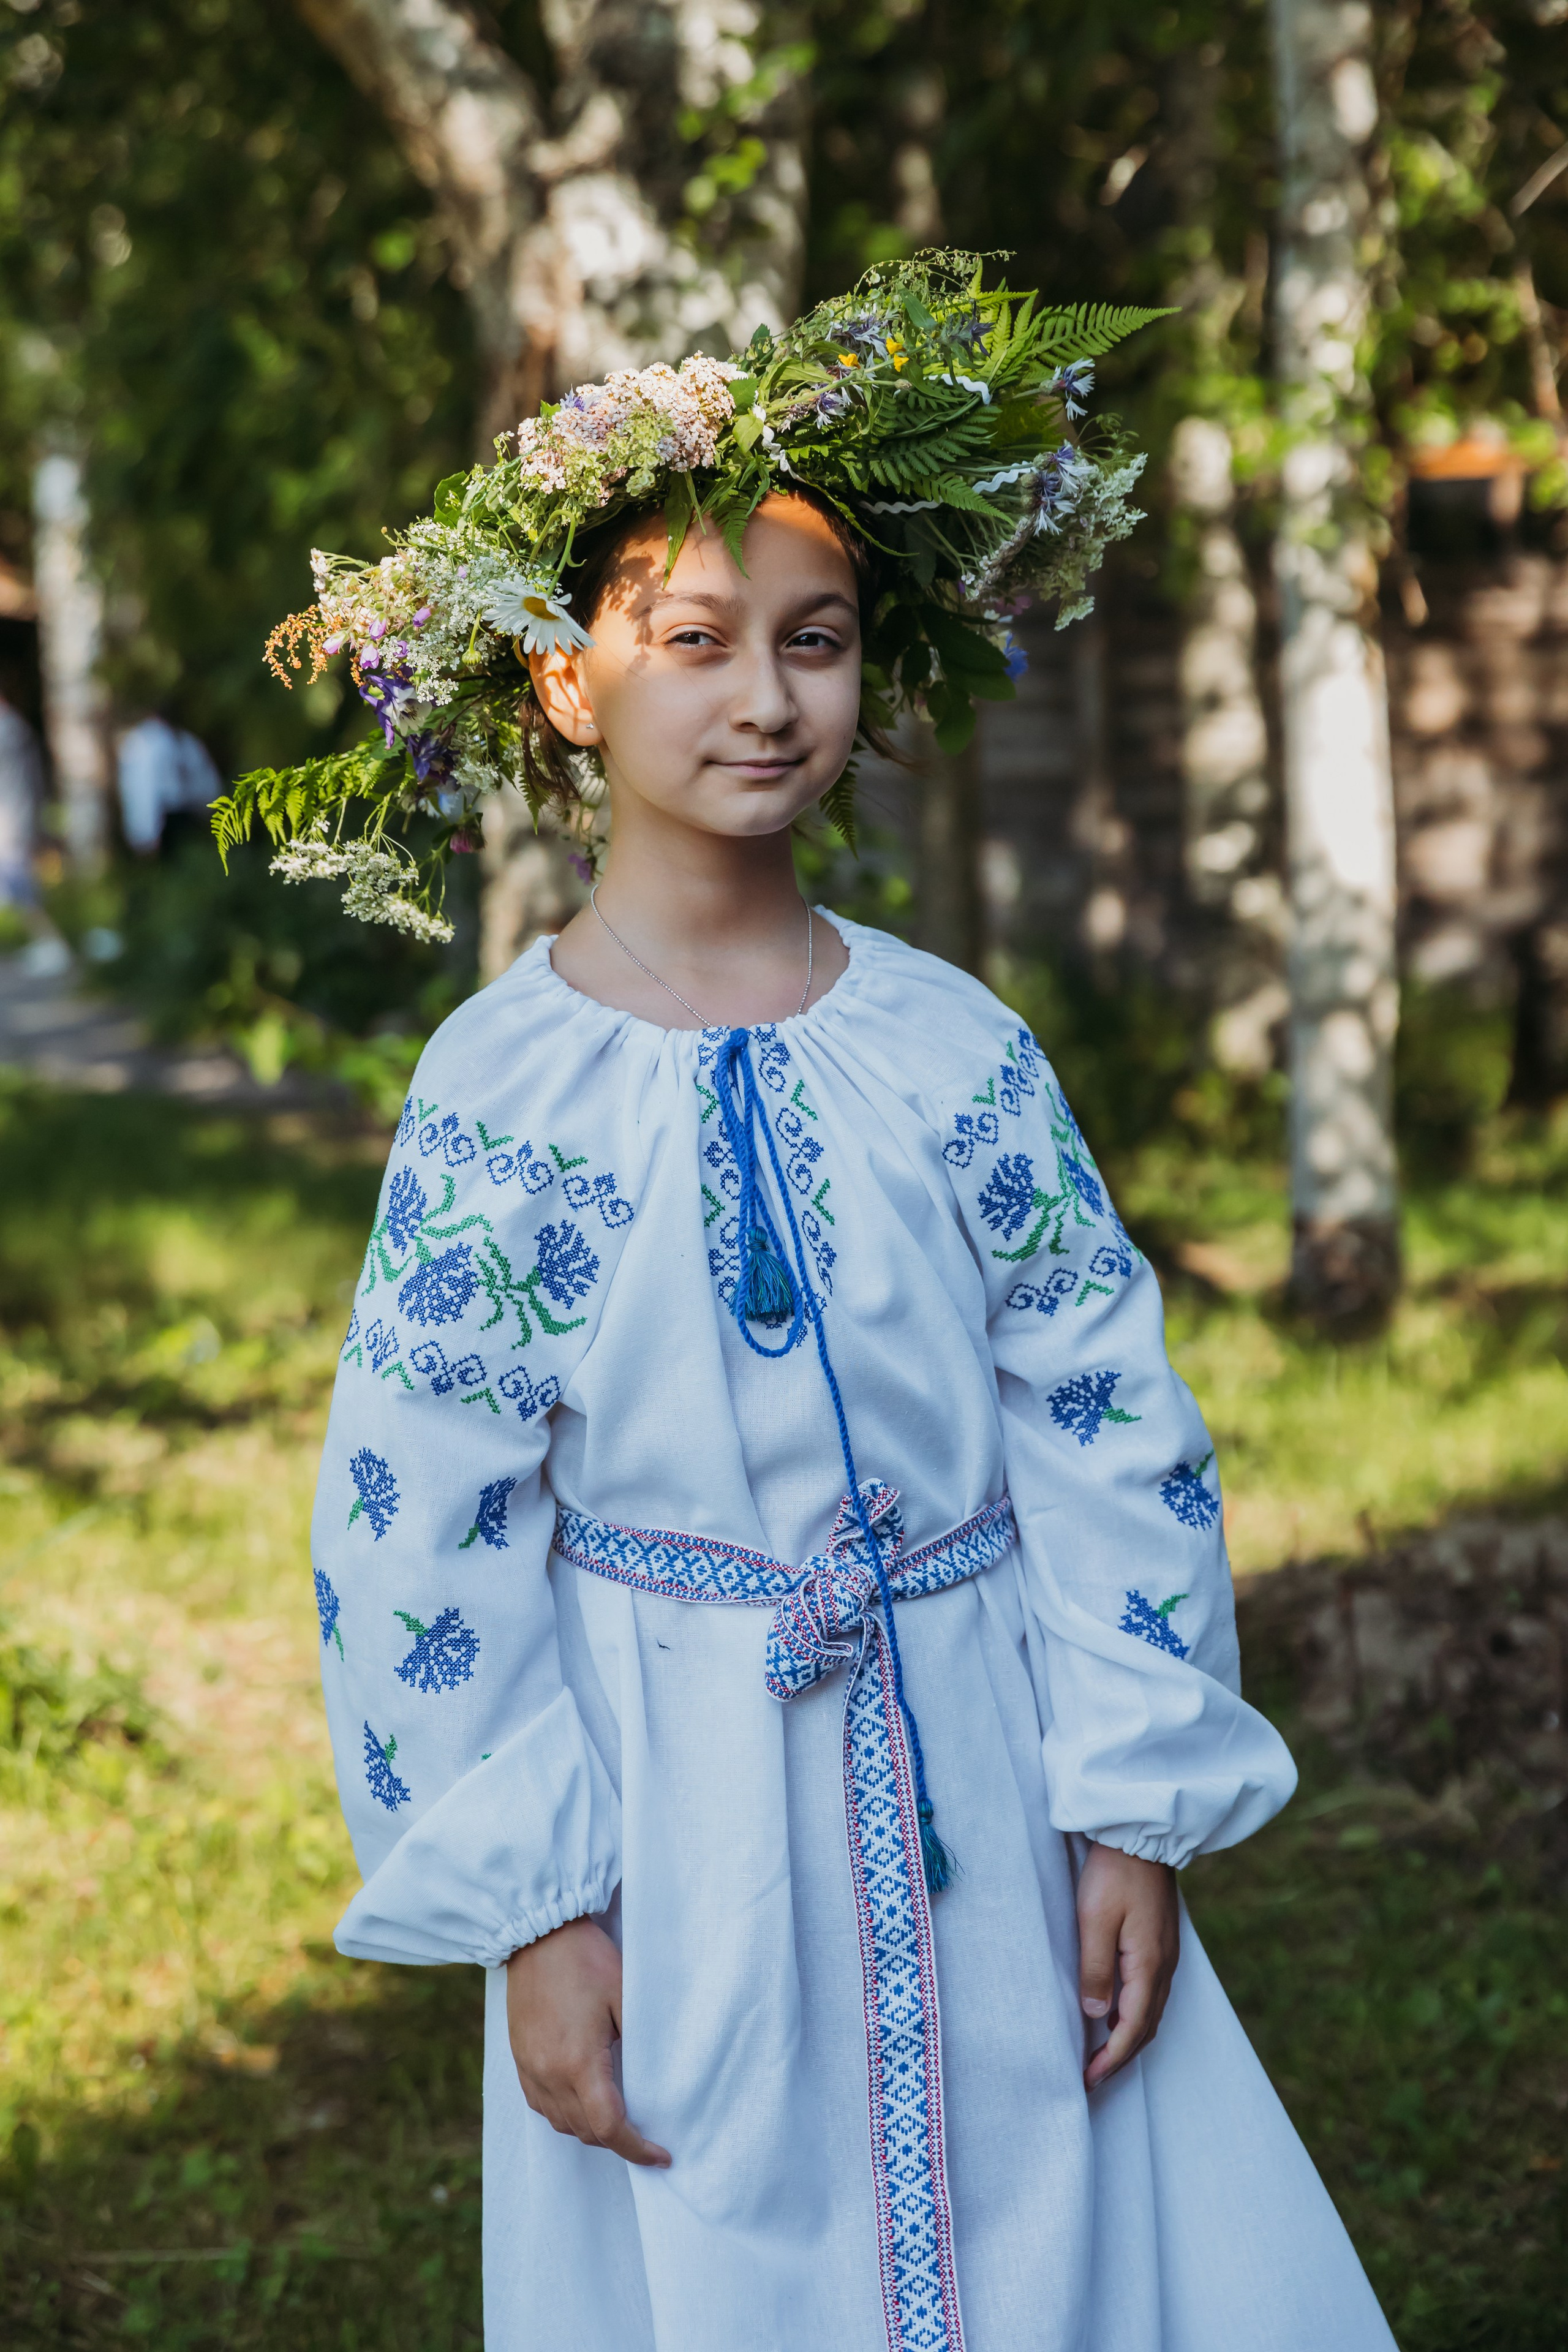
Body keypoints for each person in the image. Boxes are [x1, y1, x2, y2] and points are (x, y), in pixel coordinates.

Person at [293, 262, 1396, 2351]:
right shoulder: (506, 1091)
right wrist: (534, 1908)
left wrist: (1130, 1806)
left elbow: (1106, 1415)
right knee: (735, 2248)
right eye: (694, 640)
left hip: (984, 1747)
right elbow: (417, 1513)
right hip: (681, 1804)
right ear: (565, 684)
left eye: (814, 640)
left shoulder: (950, 1048)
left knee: (1051, 2221)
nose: (766, 697)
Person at [116, 712, 222, 854]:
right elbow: (143, 790)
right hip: (166, 814)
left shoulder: (182, 740)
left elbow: (201, 775)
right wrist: (146, 831)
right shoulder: (145, 743)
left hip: (185, 811)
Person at [0, 689, 43, 908]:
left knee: (13, 873)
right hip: (19, 807)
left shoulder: (6, 730)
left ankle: (30, 915)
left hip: (10, 812)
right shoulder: (17, 727)